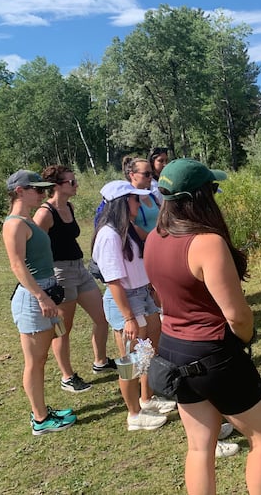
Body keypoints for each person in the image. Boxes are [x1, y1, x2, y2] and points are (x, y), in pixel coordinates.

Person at [145, 158, 261, 494]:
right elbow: (237, 315)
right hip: (213, 352)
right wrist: (246, 338)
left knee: (198, 446)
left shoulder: (153, 238)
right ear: (201, 196)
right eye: (213, 188)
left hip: (172, 349)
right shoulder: (206, 243)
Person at [92, 180, 177, 431]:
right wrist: (128, 317)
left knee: (149, 351)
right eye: (134, 199)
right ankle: (134, 415)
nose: (138, 204)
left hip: (142, 294)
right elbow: (113, 280)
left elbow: (150, 244)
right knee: (130, 361)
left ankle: (146, 398)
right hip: (126, 300)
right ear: (122, 202)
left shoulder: (127, 228)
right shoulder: (109, 235)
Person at [2, 170, 77, 435]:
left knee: (41, 358)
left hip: (44, 292)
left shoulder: (27, 221)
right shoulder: (14, 224)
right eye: (37, 189)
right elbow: (17, 265)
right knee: (34, 361)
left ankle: (42, 411)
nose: (43, 194)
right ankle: (40, 419)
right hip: (33, 297)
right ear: (19, 191)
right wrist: (41, 297)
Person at [34, 165, 116, 392]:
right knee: (63, 328)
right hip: (60, 273)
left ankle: (100, 361)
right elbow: (33, 246)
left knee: (102, 316)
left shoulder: (69, 206)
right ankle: (67, 377)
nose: (76, 184)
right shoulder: (44, 213)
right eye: (72, 182)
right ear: (57, 186)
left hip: (79, 269)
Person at [123, 155, 160, 240]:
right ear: (132, 175)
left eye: (151, 173)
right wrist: (152, 239)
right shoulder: (128, 199)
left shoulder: (152, 196)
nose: (150, 177)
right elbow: (129, 226)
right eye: (146, 174)